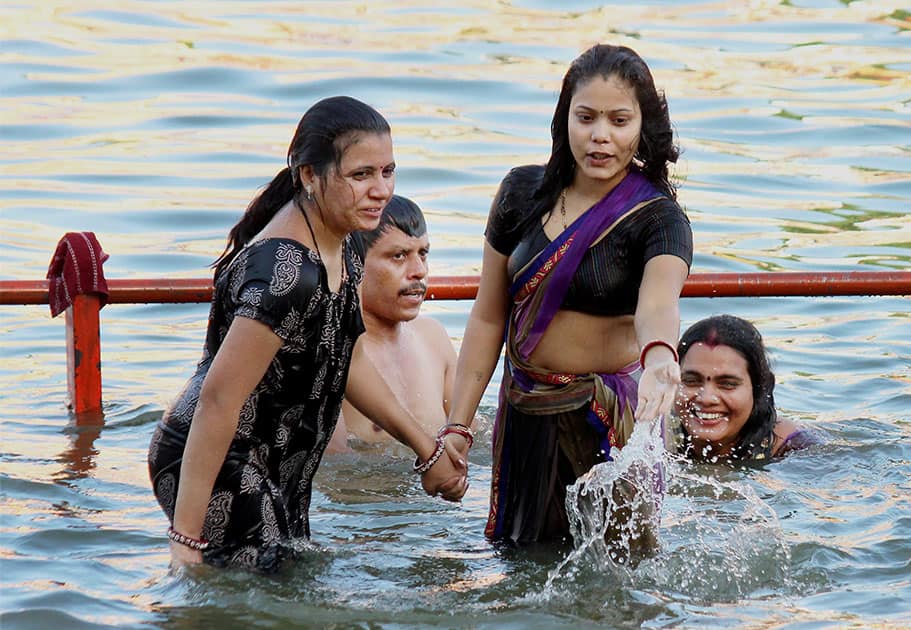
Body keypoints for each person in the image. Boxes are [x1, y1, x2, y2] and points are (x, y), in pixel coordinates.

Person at [147, 96, 467, 573]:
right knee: (269, 599)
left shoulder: (345, 245)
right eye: (361, 175)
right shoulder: (288, 270)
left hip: (274, 458)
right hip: (217, 456)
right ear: (310, 176)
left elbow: (349, 361)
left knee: (290, 585)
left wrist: (428, 447)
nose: (380, 190)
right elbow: (218, 399)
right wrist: (184, 537)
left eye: (388, 171)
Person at [444, 44, 693, 545]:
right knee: (518, 562)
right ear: (565, 120)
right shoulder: (520, 193)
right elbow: (489, 318)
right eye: (586, 117)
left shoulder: (657, 218)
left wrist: (661, 354)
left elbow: (658, 304)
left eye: (619, 120)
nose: (601, 135)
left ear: (642, 128)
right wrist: (457, 428)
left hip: (609, 419)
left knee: (618, 583)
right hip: (526, 409)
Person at [326, 195, 457, 451]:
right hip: (366, 488)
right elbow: (333, 466)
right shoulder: (330, 350)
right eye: (398, 256)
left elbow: (470, 435)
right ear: (352, 265)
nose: (419, 270)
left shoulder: (434, 337)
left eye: (423, 254)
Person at [672, 314, 811, 462]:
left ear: (760, 389)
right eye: (691, 381)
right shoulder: (656, 439)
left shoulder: (795, 447)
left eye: (727, 384)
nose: (706, 398)